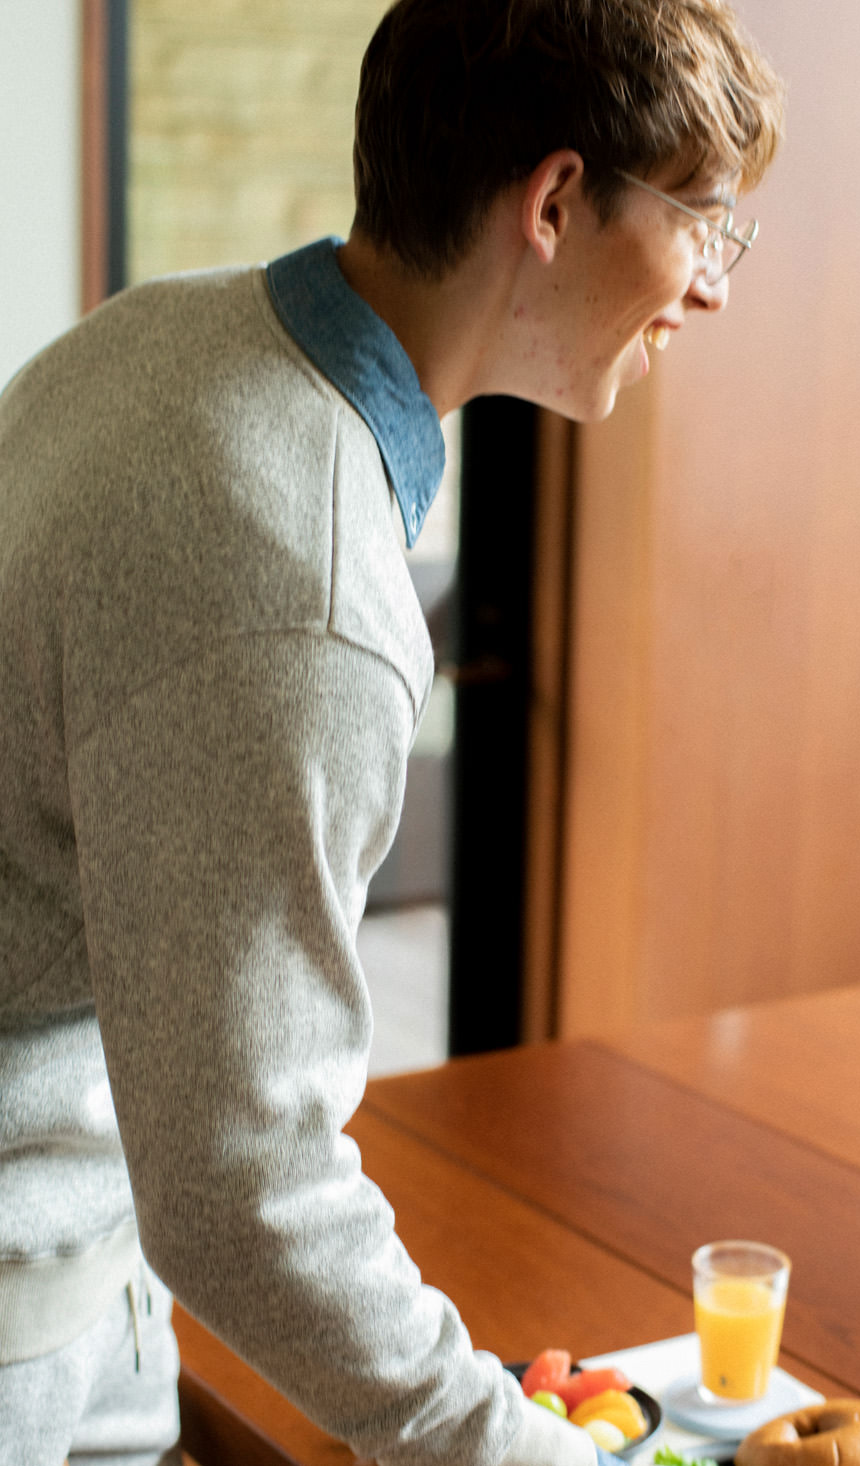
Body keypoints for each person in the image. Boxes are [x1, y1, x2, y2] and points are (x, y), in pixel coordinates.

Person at [0, 0, 784, 1460]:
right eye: (701, 222)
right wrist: (514, 1447)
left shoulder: (160, 335)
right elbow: (243, 1190)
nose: (714, 287)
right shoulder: (300, 581)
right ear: (555, 202)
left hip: (85, 1244)